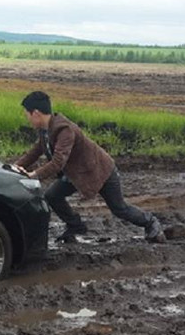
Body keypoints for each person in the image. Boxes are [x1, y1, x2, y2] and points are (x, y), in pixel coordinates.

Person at [15, 91, 166, 244]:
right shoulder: (45, 131)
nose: (26, 118)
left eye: (26, 114)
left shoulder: (64, 130)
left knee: (119, 208)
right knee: (52, 195)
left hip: (100, 171)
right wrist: (14, 167)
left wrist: (33, 175)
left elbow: (58, 162)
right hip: (77, 174)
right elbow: (34, 153)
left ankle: (151, 222)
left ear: (36, 113)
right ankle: (75, 226)